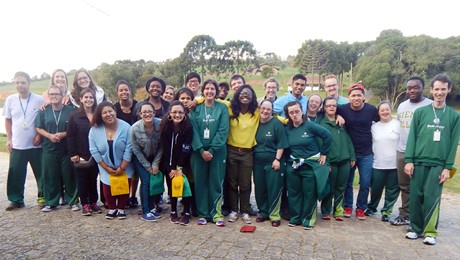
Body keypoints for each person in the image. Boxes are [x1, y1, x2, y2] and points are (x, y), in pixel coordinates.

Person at [404, 74, 460, 245]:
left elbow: (453, 144)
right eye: (436, 89)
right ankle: (415, 228)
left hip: (438, 164)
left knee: (431, 197)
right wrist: (409, 160)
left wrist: (447, 167)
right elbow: (412, 137)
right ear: (431, 90)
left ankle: (430, 232)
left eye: (443, 89)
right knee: (415, 196)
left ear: (449, 89)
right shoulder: (421, 112)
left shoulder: (454, 116)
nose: (440, 92)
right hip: (418, 161)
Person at [391, 76, 433, 226]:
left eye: (416, 87)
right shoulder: (402, 106)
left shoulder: (431, 105)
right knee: (405, 186)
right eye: (409, 88)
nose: (412, 90)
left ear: (423, 88)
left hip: (421, 153)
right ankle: (405, 215)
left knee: (421, 186)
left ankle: (421, 216)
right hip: (402, 151)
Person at [284, 101, 332, 229]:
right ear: (288, 115)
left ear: (302, 111)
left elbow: (327, 135)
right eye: (291, 113)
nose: (294, 115)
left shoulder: (310, 126)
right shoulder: (287, 129)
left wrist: (324, 154)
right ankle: (295, 218)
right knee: (294, 193)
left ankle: (308, 219)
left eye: (297, 111)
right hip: (294, 166)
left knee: (309, 194)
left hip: (310, 166)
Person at [189, 79, 229, 226]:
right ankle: (203, 214)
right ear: (203, 91)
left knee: (216, 182)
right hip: (198, 153)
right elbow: (192, 130)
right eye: (207, 89)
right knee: (201, 183)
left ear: (216, 92)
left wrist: (211, 150)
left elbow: (223, 131)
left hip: (217, 152)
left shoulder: (222, 108)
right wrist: (201, 150)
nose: (210, 91)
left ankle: (216, 213)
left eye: (212, 89)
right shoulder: (196, 108)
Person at [3, 72, 45, 210]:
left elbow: (44, 119)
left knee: (41, 172)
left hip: (36, 145)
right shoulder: (10, 100)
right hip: (17, 144)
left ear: (29, 83)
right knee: (15, 172)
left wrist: (40, 136)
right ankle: (16, 200)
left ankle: (43, 197)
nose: (20, 85)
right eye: (17, 82)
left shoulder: (39, 100)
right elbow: (8, 120)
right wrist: (9, 138)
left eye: (23, 82)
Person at [337, 83, 379, 220]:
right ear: (348, 97)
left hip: (366, 153)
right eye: (353, 95)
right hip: (349, 153)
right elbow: (329, 112)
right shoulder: (342, 109)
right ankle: (347, 205)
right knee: (347, 182)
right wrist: (338, 116)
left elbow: (381, 122)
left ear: (364, 97)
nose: (356, 98)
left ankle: (361, 207)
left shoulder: (371, 110)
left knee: (365, 182)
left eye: (359, 95)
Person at [35, 85, 78, 212]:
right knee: (50, 176)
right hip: (49, 149)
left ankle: (73, 201)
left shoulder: (70, 111)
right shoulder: (43, 110)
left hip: (66, 150)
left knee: (69, 176)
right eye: (52, 94)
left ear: (62, 96)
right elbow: (38, 127)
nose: (54, 96)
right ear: (48, 96)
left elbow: (74, 129)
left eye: (57, 94)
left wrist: (64, 134)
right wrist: (49, 135)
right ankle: (51, 202)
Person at [89, 101, 134, 219]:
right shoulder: (94, 130)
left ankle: (121, 208)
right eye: (104, 113)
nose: (108, 114)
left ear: (115, 111)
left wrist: (122, 167)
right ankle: (112, 208)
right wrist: (106, 167)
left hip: (124, 164)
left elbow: (129, 148)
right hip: (105, 165)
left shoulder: (126, 127)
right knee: (107, 187)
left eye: (110, 111)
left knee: (123, 185)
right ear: (100, 115)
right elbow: (94, 151)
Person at [253, 99, 288, 227]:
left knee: (274, 189)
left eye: (268, 109)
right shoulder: (255, 123)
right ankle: (263, 212)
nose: (265, 111)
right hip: (257, 162)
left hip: (273, 162)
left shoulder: (276, 124)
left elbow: (281, 144)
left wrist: (277, 159)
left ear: (272, 111)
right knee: (260, 188)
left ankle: (274, 215)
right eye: (263, 108)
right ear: (259, 108)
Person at [319, 97, 355, 221]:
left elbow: (348, 139)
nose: (331, 107)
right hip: (331, 161)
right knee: (330, 187)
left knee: (341, 187)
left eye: (333, 105)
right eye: (328, 105)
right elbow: (321, 144)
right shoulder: (322, 124)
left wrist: (352, 155)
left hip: (344, 160)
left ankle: (338, 210)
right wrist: (326, 162)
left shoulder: (341, 123)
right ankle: (326, 210)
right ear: (324, 108)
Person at [67, 88, 101, 216]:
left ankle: (93, 202)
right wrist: (73, 154)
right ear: (81, 99)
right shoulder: (74, 116)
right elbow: (70, 136)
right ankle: (85, 204)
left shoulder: (98, 114)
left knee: (93, 179)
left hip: (96, 154)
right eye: (86, 97)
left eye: (91, 97)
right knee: (82, 180)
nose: (88, 100)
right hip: (81, 153)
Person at [364, 101, 400, 221]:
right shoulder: (374, 127)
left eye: (387, 109)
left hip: (394, 164)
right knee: (375, 188)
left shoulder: (398, 124)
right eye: (382, 110)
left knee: (392, 190)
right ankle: (372, 207)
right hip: (378, 163)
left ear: (391, 110)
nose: (385, 112)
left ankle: (387, 211)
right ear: (378, 112)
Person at [160, 101, 193, 225]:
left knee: (185, 186)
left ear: (184, 114)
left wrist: (179, 167)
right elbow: (166, 149)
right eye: (174, 112)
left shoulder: (188, 127)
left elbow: (186, 148)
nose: (177, 115)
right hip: (169, 162)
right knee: (171, 185)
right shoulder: (165, 127)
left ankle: (186, 212)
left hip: (184, 161)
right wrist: (171, 167)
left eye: (180, 112)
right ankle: (173, 211)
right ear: (169, 113)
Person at [130, 101, 163, 222]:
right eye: (144, 112)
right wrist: (147, 166)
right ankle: (145, 211)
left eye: (150, 111)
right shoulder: (134, 128)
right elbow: (136, 150)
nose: (147, 114)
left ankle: (151, 207)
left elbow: (162, 146)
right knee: (146, 180)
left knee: (154, 179)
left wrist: (155, 164)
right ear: (140, 114)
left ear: (154, 113)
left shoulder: (160, 124)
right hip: (140, 158)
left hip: (155, 157)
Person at [113, 80, 139, 208]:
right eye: (121, 90)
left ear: (130, 90)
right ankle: (124, 196)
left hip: (138, 143)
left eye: (126, 89)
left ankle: (133, 196)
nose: (124, 92)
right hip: (122, 145)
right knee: (124, 170)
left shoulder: (138, 105)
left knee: (135, 172)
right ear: (117, 93)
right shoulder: (115, 108)